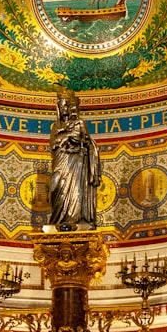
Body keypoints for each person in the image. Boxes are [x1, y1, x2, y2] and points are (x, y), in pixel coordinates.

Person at [49, 89, 101, 229]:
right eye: (62, 105)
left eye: (67, 105)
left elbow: (87, 140)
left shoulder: (80, 123)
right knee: (56, 184)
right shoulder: (56, 126)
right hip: (61, 160)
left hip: (77, 162)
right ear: (58, 107)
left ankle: (74, 218)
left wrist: (72, 139)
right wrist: (66, 138)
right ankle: (58, 219)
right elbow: (54, 145)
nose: (65, 108)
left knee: (76, 190)